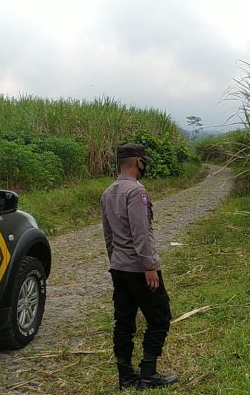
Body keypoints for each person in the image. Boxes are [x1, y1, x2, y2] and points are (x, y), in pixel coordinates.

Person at [101, 144, 178, 390]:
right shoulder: (136, 192)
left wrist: (115, 260)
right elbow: (141, 232)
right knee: (160, 318)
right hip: (138, 268)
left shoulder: (108, 192)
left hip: (119, 268)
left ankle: (125, 374)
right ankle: (148, 373)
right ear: (137, 162)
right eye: (143, 161)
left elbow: (108, 235)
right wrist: (150, 266)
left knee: (124, 321)